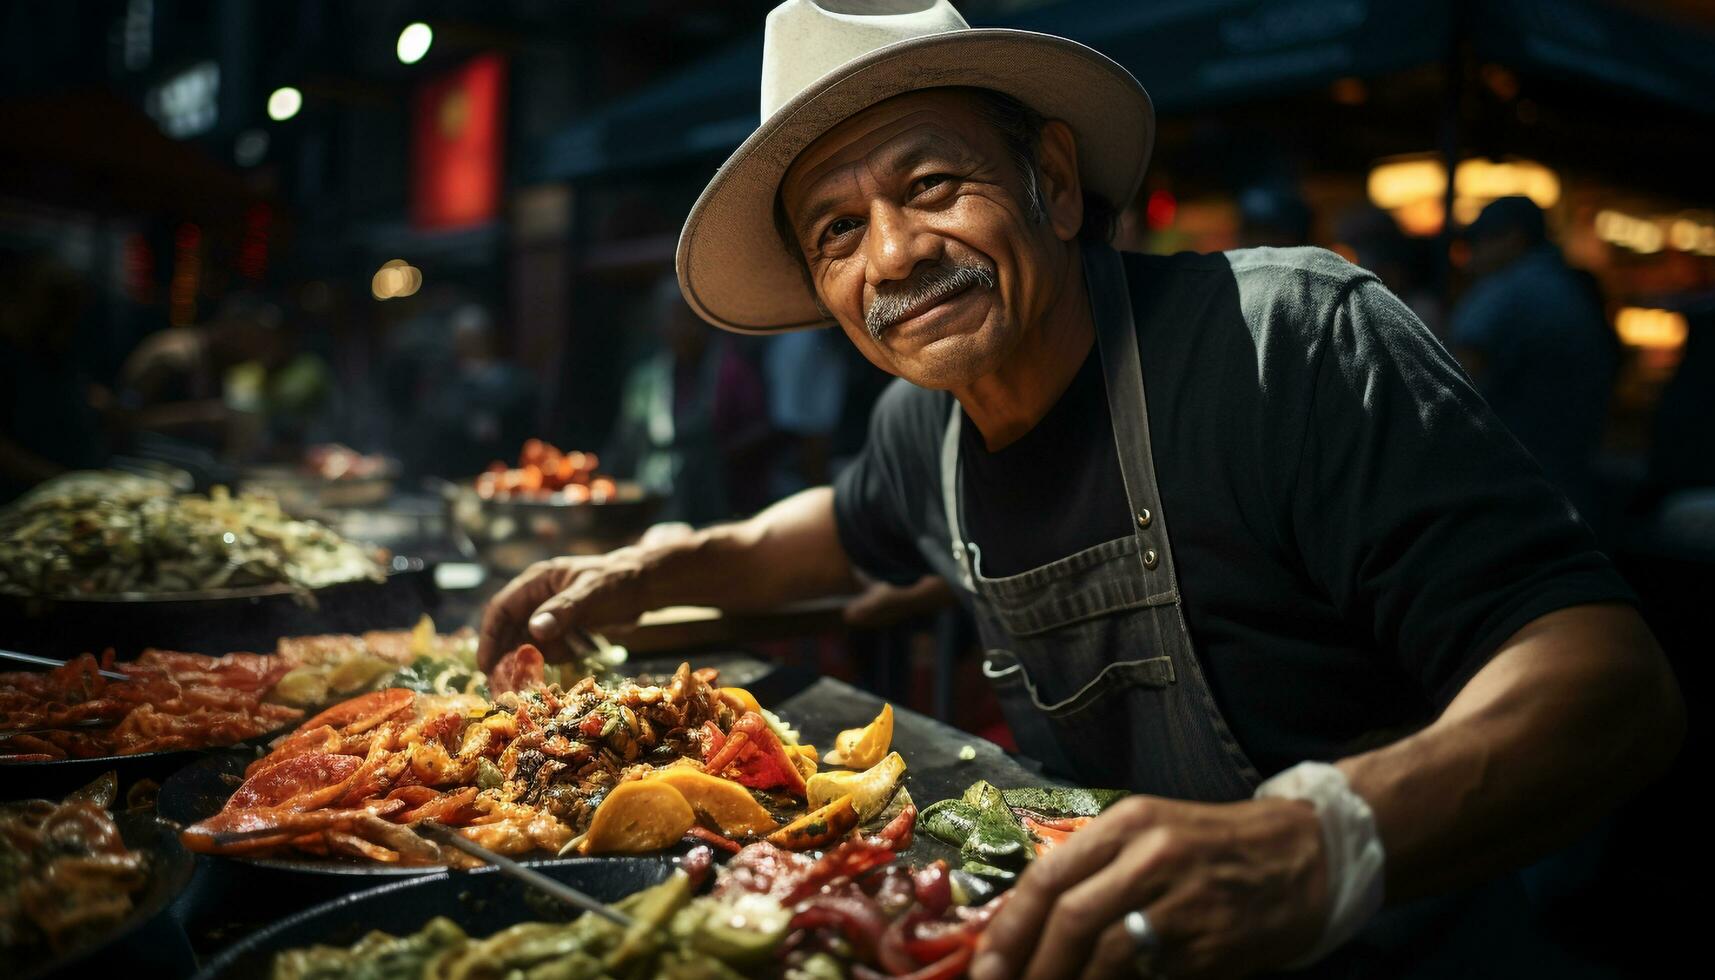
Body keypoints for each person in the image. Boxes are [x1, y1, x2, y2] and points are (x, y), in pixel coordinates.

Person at [479, 3, 1682, 977]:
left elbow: (1608, 681)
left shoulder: (1288, 343)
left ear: (1053, 182)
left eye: (934, 184)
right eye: (838, 230)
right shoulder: (923, 427)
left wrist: (1312, 839)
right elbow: (835, 537)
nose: (892, 254)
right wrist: (655, 564)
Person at [1449, 195, 1618, 520]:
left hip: (1511, 479)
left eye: (1481, 241)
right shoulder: (1568, 286)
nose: (1471, 254)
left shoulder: (1509, 290)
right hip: (1568, 472)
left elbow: (1451, 381)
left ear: (1513, 238)